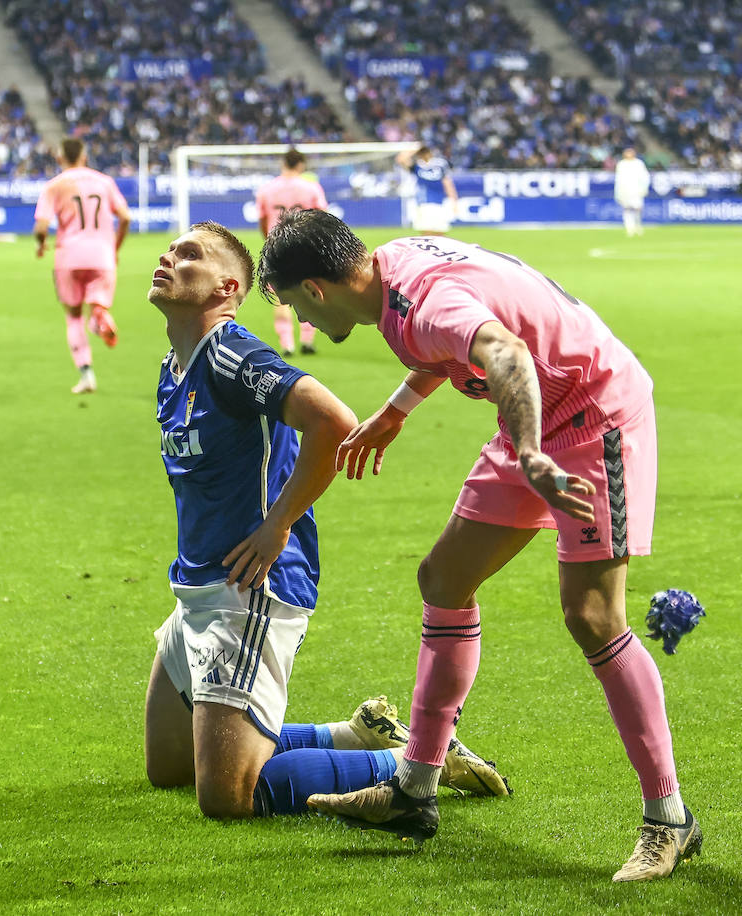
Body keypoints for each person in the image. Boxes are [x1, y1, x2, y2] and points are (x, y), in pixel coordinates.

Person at [257, 209, 698, 881]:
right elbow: (450, 343)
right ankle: (414, 791)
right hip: (535, 417)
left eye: (295, 306)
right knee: (444, 580)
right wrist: (398, 409)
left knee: (592, 616)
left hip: (593, 413)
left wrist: (527, 452)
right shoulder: (392, 272)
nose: (304, 323)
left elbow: (505, 352)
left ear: (316, 289)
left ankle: (670, 820)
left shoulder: (424, 303)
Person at [143, 220, 509, 820]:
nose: (167, 258)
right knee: (171, 767)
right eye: (170, 250)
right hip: (197, 587)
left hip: (247, 589)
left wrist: (278, 522)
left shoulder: (233, 355)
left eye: (189, 256)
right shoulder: (174, 364)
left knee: (227, 796)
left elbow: (334, 422)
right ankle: (358, 733)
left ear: (226, 287)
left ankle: (415, 760)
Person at [35, 138, 131, 394]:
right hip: (102, 255)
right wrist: (115, 247)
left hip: (69, 256)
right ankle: (99, 317)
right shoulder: (104, 182)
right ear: (84, 156)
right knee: (96, 305)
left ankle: (86, 374)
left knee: (74, 316)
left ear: (59, 158)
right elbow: (125, 217)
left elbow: (41, 227)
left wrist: (41, 244)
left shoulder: (55, 185)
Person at [254, 149, 328, 357]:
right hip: (305, 245)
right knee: (311, 292)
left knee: (280, 297)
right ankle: (307, 340)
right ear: (301, 165)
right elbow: (322, 217)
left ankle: (287, 344)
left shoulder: (267, 189)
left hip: (277, 246)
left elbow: (262, 219)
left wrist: (268, 239)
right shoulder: (311, 187)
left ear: (283, 163)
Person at [397, 146, 457, 236]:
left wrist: (454, 200)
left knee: (440, 235)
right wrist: (415, 149)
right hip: (424, 204)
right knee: (426, 235)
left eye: (425, 152)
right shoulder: (417, 167)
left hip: (439, 203)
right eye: (422, 153)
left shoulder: (440, 166)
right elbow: (400, 159)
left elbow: (447, 184)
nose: (424, 155)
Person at [614, 147, 650, 237]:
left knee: (638, 208)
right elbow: (618, 179)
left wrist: (644, 188)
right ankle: (629, 228)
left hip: (636, 190)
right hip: (625, 191)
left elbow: (645, 177)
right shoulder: (621, 164)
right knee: (627, 209)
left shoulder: (639, 163)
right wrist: (617, 192)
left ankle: (638, 225)